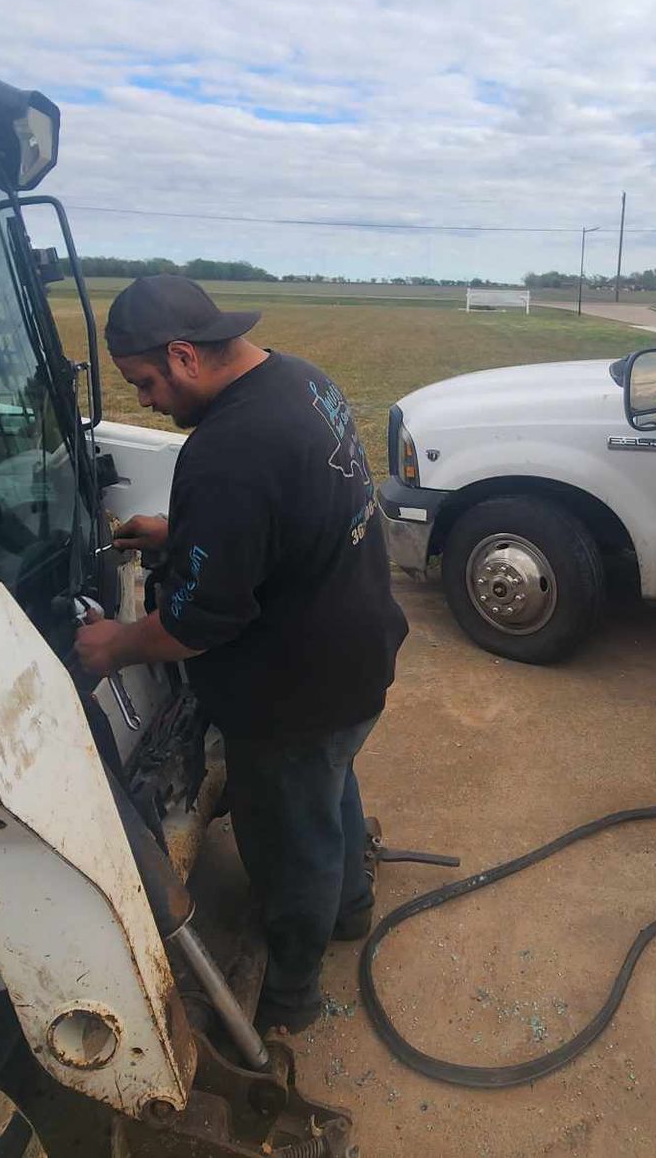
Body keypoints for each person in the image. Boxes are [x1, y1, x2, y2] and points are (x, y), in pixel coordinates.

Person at [72, 274, 409, 1033]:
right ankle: (351, 908)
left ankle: (290, 995)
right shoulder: (300, 380)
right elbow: (290, 516)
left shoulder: (229, 450)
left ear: (185, 354)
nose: (147, 401)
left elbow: (195, 625)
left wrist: (116, 645)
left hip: (295, 694)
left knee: (291, 841)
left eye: (146, 382)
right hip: (356, 658)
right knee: (330, 790)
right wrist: (185, 536)